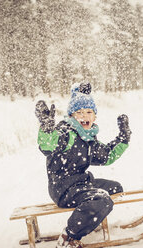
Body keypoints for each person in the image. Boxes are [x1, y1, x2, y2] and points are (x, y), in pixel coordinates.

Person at [35, 82, 132, 248]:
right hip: (63, 188)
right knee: (102, 200)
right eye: (79, 112)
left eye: (88, 112)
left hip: (81, 183)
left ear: (94, 117)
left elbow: (107, 156)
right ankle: (69, 237)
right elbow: (48, 146)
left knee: (116, 188)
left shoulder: (88, 139)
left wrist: (123, 138)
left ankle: (88, 221)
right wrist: (46, 129)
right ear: (71, 117)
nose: (84, 116)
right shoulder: (65, 133)